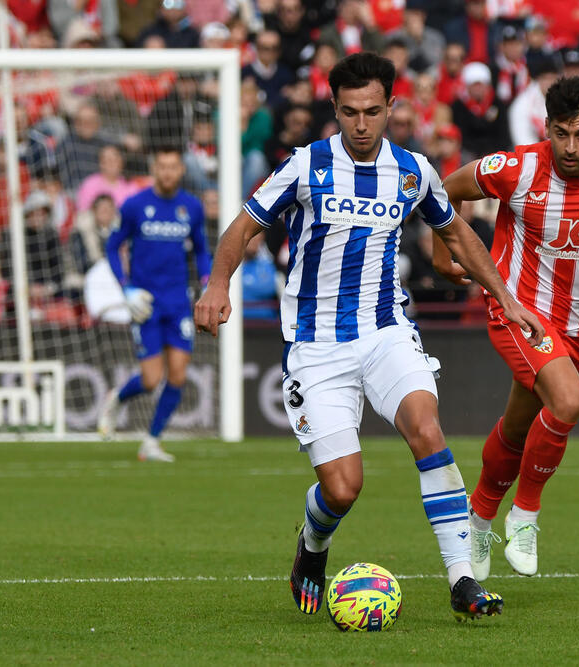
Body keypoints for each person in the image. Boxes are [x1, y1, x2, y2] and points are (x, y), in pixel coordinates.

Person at [193, 52, 542, 621]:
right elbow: (245, 224)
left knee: (427, 430)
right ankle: (312, 547)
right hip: (315, 343)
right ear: (334, 108)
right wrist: (216, 284)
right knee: (343, 488)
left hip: (385, 331)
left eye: (373, 112)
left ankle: (463, 582)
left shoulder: (412, 171)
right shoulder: (305, 166)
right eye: (350, 112)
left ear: (391, 109)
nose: (361, 124)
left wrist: (505, 297)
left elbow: (458, 237)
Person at [433, 76, 579, 579]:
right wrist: (443, 257)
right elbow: (443, 191)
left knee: (520, 426)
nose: (570, 147)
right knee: (569, 400)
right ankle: (525, 514)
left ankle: (477, 519)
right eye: (561, 133)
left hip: (577, 327)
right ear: (546, 127)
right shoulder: (515, 167)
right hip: (516, 309)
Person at [97, 147, 211, 463]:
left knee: (177, 375)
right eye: (162, 166)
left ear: (181, 170)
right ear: (154, 168)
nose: (168, 173)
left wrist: (207, 282)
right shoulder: (135, 205)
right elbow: (112, 246)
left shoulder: (191, 207)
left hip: (178, 302)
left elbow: (201, 250)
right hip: (145, 303)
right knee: (150, 380)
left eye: (173, 167)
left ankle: (151, 441)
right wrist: (126, 289)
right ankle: (117, 397)